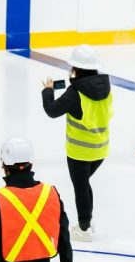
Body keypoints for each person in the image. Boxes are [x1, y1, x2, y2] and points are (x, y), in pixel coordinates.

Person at [42, 44, 113, 241]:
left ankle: (83, 228)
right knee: (83, 183)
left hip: (79, 151)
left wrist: (47, 91)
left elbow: (51, 110)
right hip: (100, 149)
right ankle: (88, 222)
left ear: (77, 69)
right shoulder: (105, 87)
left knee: (80, 187)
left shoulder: (75, 93)